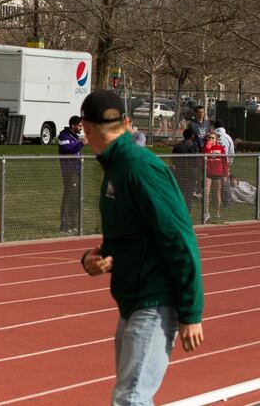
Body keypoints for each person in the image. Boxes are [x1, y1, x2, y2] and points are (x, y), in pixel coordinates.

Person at [78, 90, 204, 406]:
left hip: (156, 300)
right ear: (127, 122)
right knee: (130, 395)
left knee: (130, 398)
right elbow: (126, 235)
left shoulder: (138, 168)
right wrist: (95, 259)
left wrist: (191, 311)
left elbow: (179, 238)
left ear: (85, 128)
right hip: (134, 300)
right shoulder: (116, 167)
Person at [58, 115, 86, 233]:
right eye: (79, 125)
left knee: (76, 197)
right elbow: (68, 149)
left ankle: (74, 224)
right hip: (69, 171)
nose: (81, 128)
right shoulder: (64, 136)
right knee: (69, 196)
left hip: (77, 170)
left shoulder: (74, 137)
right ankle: (64, 225)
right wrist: (82, 143)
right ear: (73, 126)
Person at [171, 128, 200, 214]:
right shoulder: (193, 147)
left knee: (179, 195)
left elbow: (173, 159)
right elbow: (196, 162)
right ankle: (187, 214)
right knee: (188, 196)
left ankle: (178, 212)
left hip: (179, 173)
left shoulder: (177, 146)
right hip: (190, 175)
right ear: (192, 136)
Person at [203, 131, 227, 223]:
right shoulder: (206, 147)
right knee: (206, 192)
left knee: (217, 193)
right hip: (208, 173)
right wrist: (208, 147)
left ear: (216, 139)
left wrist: (225, 175)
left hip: (218, 173)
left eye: (213, 138)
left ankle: (217, 213)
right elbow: (204, 156)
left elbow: (225, 162)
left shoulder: (221, 148)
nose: (210, 139)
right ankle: (206, 213)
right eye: (209, 138)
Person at [213, 119, 234, 205]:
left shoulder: (212, 136)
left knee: (216, 181)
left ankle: (218, 200)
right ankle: (227, 200)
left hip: (214, 162)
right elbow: (231, 151)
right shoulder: (228, 137)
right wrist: (230, 161)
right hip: (225, 162)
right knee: (225, 181)